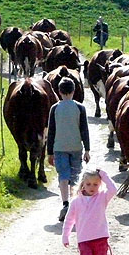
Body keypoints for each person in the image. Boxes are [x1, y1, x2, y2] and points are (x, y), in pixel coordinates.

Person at [62, 169, 117, 255]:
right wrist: (65, 235)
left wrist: (103, 175)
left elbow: (113, 189)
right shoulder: (76, 202)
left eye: (95, 184)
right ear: (82, 185)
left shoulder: (102, 197)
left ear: (100, 185)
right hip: (84, 240)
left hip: (101, 239)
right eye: (88, 184)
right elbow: (69, 220)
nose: (92, 187)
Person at [47, 77, 91, 222]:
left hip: (59, 148)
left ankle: (65, 203)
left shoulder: (55, 108)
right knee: (75, 176)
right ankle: (74, 203)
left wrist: (49, 153)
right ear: (74, 91)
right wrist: (87, 150)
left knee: (63, 176)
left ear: (59, 91)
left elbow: (51, 131)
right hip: (76, 148)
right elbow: (84, 130)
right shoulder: (80, 108)